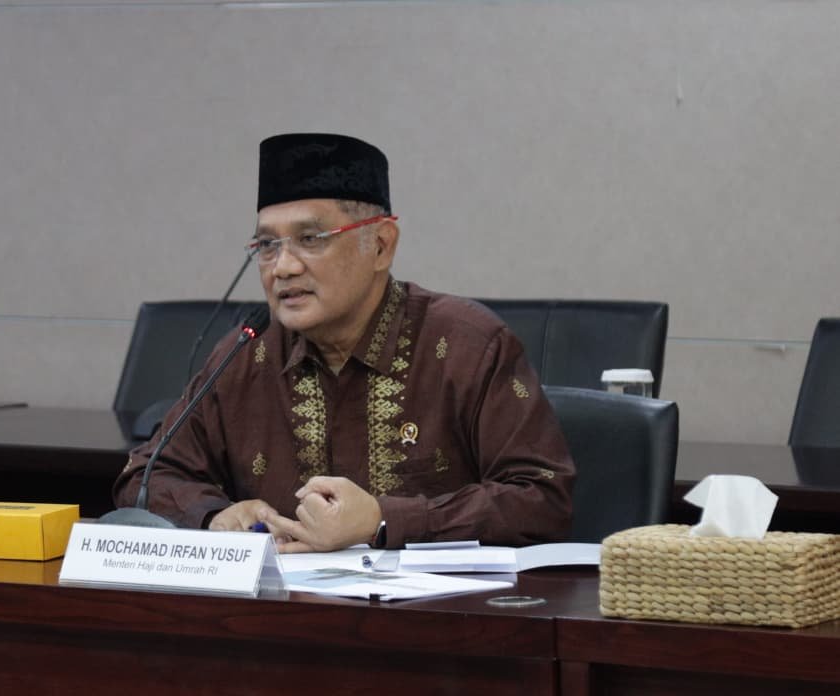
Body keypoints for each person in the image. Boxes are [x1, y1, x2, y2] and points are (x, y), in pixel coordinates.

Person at [113, 132, 575, 552]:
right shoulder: (247, 352)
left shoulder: (467, 346)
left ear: (381, 246)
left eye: (311, 239)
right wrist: (215, 515)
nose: (283, 267)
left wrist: (382, 519)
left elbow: (542, 498)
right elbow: (145, 476)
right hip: (282, 609)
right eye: (267, 246)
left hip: (435, 614)